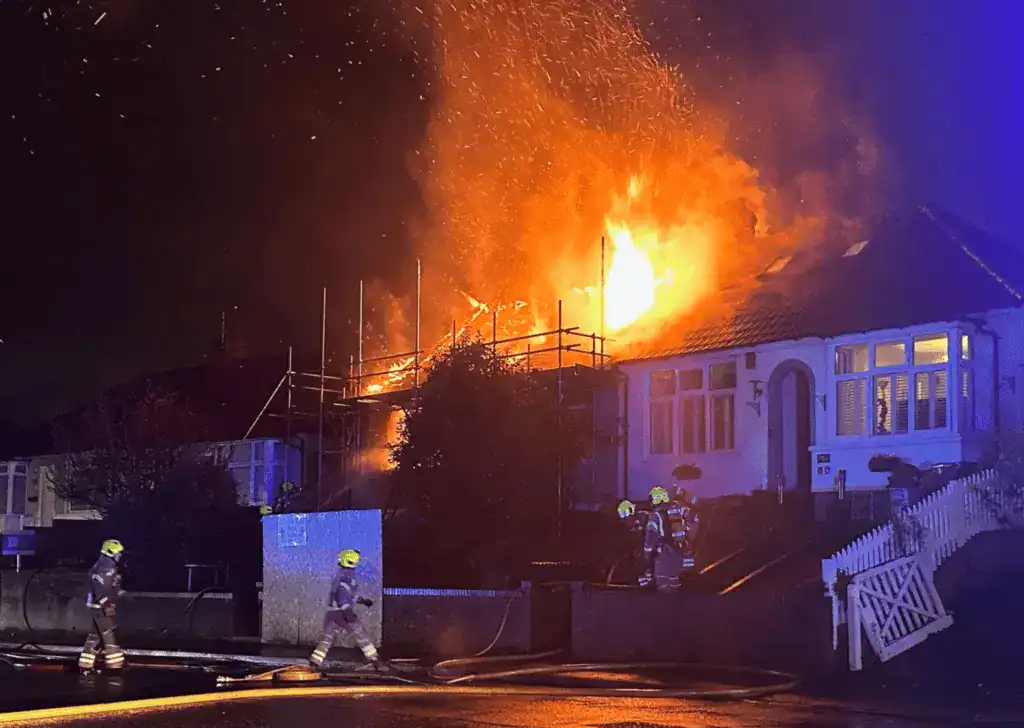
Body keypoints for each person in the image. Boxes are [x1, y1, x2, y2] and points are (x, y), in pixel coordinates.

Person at [309, 548, 381, 670]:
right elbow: (343, 596)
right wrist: (348, 612)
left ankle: (314, 662)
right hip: (342, 613)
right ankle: (374, 659)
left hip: (332, 614)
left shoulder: (340, 576)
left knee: (327, 639)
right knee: (360, 633)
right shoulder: (346, 577)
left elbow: (348, 595)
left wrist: (362, 600)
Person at [78, 539, 126, 674]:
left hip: (96, 606)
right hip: (101, 607)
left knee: (95, 636)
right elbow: (101, 589)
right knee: (109, 635)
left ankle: (85, 666)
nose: (119, 556)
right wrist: (107, 605)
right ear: (110, 553)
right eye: (118, 553)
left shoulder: (101, 566)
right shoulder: (105, 569)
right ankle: (115, 668)